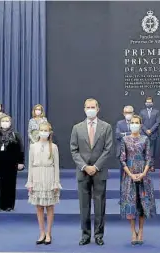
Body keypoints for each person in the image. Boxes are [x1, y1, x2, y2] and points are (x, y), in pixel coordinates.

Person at [70, 98, 113, 246]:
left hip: (99, 172)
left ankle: (99, 235)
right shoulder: (77, 128)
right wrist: (85, 166)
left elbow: (108, 149)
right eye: (88, 107)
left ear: (98, 108)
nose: (90, 109)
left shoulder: (106, 127)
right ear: (84, 109)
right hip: (83, 172)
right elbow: (74, 150)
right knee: (84, 205)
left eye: (93, 107)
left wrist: (96, 166)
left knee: (100, 204)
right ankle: (85, 235)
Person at [119, 115, 156, 245]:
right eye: (132, 122)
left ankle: (141, 231)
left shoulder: (145, 139)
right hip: (129, 176)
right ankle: (132, 231)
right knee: (131, 204)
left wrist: (143, 173)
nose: (134, 124)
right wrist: (130, 174)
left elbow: (148, 158)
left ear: (141, 125)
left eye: (137, 123)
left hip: (143, 176)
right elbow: (122, 159)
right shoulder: (125, 139)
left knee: (141, 204)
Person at [26, 122, 61, 245]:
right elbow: (30, 165)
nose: (44, 132)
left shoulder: (54, 147)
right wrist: (29, 182)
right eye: (42, 130)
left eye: (46, 130)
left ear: (50, 132)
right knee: (39, 207)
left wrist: (56, 183)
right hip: (36, 177)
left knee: (50, 206)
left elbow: (56, 167)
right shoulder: (33, 146)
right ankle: (41, 232)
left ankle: (49, 233)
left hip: (49, 177)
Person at [0, 116, 25, 212]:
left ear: (10, 123)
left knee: (10, 184)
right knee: (0, 184)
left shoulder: (15, 135)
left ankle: (10, 205)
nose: (5, 122)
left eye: (7, 121)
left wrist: (21, 162)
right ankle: (1, 205)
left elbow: (21, 150)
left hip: (12, 163)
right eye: (3, 121)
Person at [140, 97, 160, 171]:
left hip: (153, 134)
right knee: (144, 150)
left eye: (150, 102)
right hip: (144, 134)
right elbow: (140, 122)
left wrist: (151, 130)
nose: (149, 103)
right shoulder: (142, 112)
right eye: (147, 102)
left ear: (152, 103)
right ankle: (145, 166)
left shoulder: (156, 112)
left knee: (152, 151)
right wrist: (146, 130)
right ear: (145, 103)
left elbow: (158, 122)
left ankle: (151, 166)